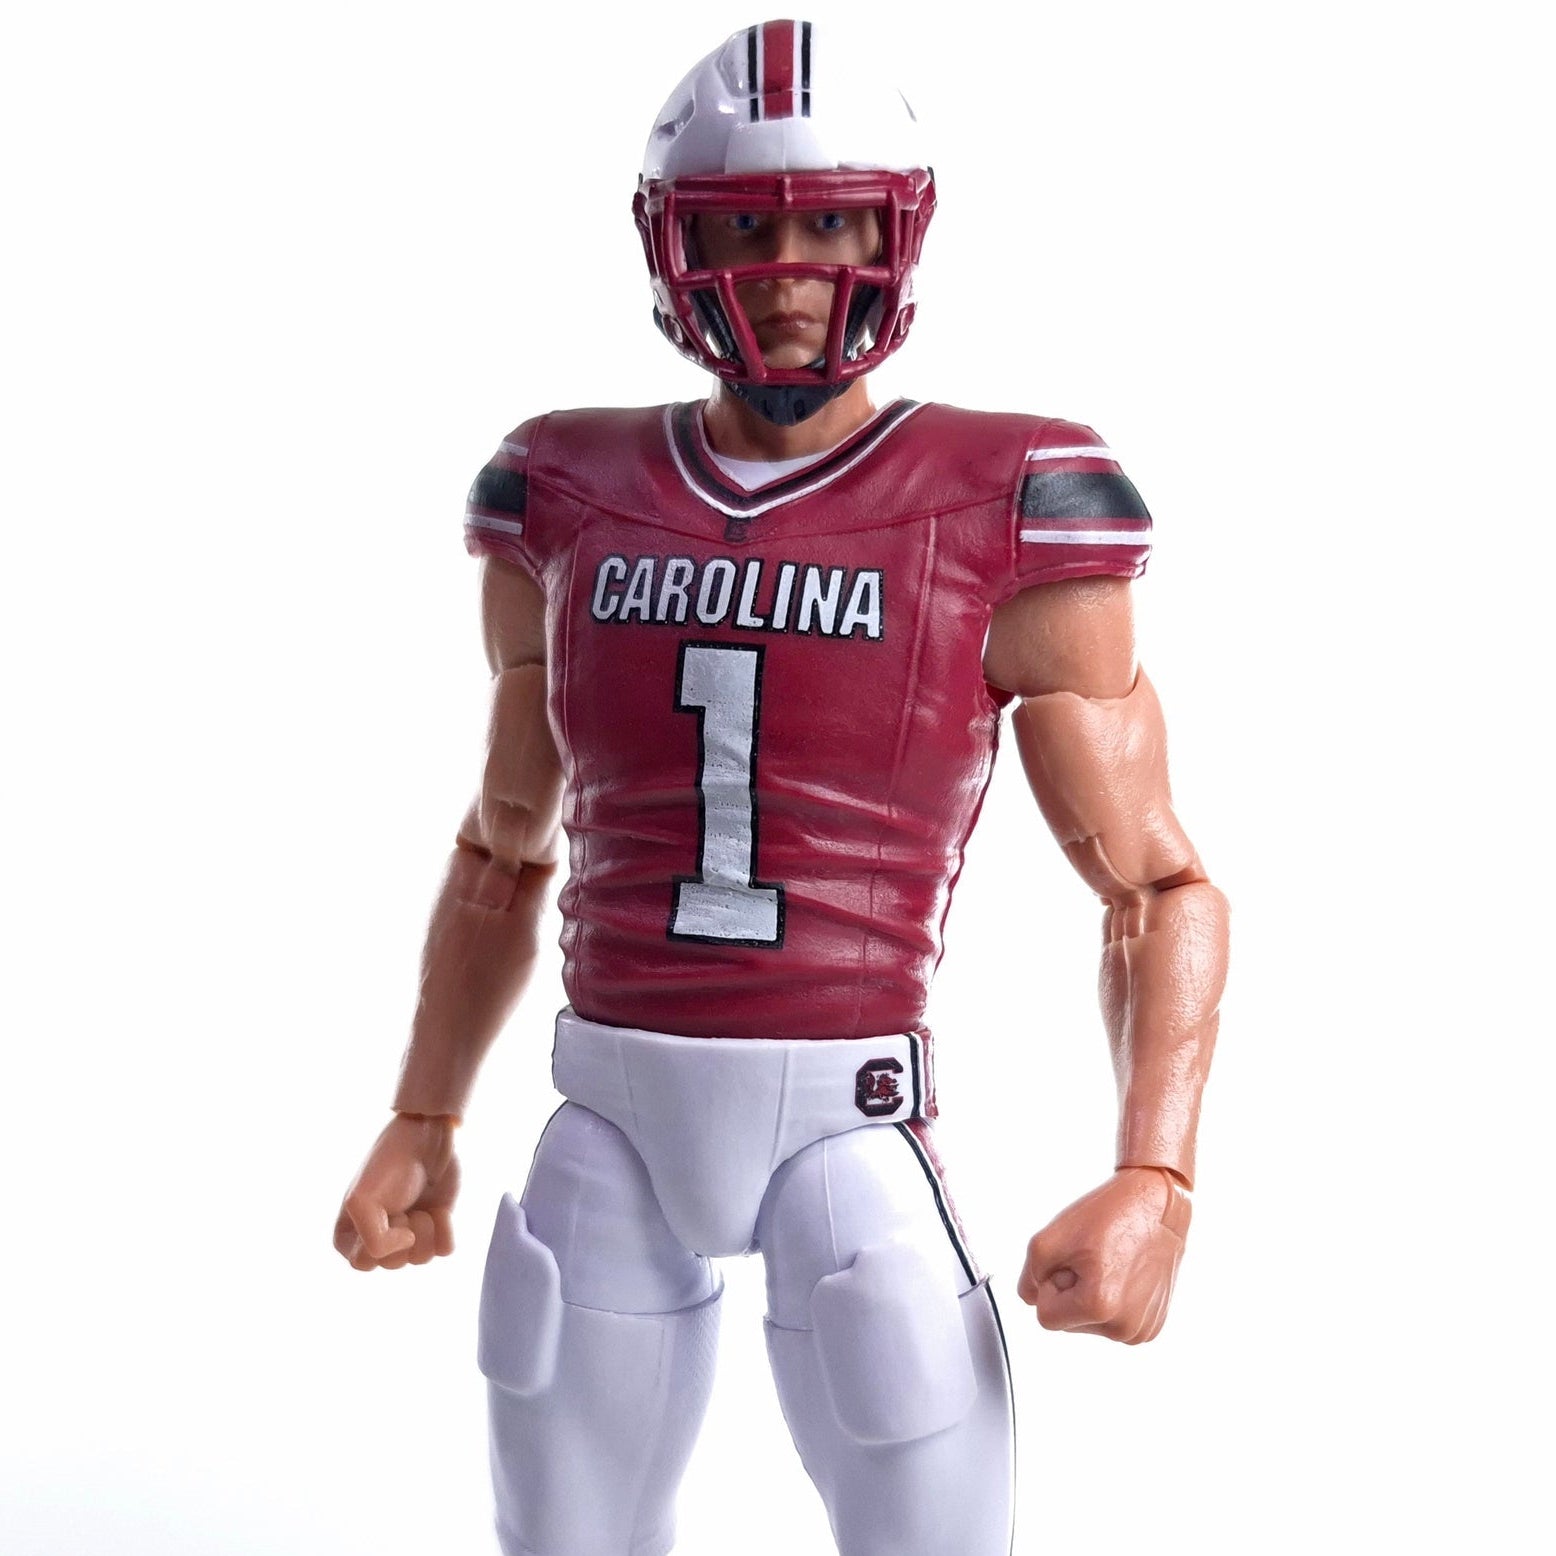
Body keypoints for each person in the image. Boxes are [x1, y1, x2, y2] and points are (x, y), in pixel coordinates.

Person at [334, 19, 1228, 1556]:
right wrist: (425, 1110)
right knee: (563, 1533)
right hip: (609, 1109)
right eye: (747, 226)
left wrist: (1158, 1173)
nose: (793, 269)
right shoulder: (566, 489)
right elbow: (502, 846)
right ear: (674, 240)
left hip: (848, 1118)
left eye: (834, 225)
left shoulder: (1004, 499)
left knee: (932, 1527)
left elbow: (1156, 884)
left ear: (898, 232)